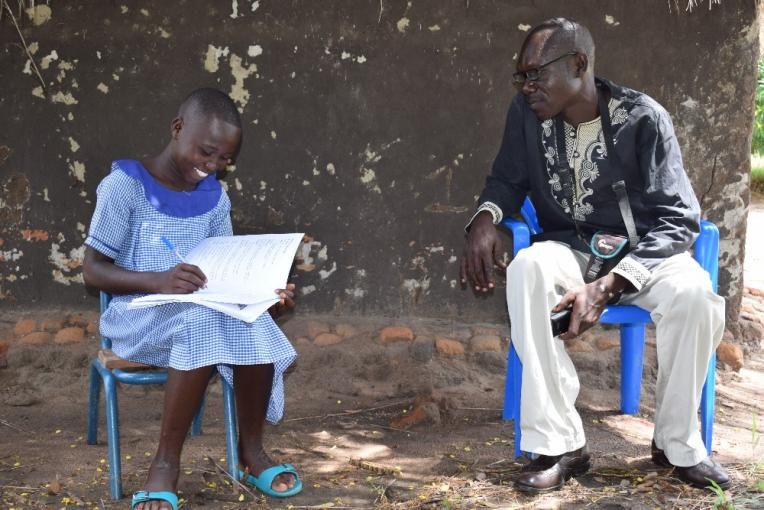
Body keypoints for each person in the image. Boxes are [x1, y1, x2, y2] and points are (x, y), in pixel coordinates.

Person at [460, 18, 730, 493]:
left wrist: (609, 286)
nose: (526, 87)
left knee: (695, 297)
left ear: (579, 65)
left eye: (535, 74)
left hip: (646, 253)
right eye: (521, 76)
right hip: (572, 247)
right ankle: (560, 444)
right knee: (529, 267)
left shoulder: (643, 118)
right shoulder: (526, 116)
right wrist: (484, 218)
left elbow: (679, 219)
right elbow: (506, 179)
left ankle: (676, 444)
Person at [83, 88, 302, 510]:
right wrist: (159, 280)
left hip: (199, 311)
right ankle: (165, 464)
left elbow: (225, 268)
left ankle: (250, 452)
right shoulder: (123, 186)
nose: (213, 165)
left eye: (224, 160)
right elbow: (93, 271)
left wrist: (264, 295)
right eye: (207, 151)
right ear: (177, 127)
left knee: (252, 320)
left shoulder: (215, 197)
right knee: (201, 321)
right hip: (137, 314)